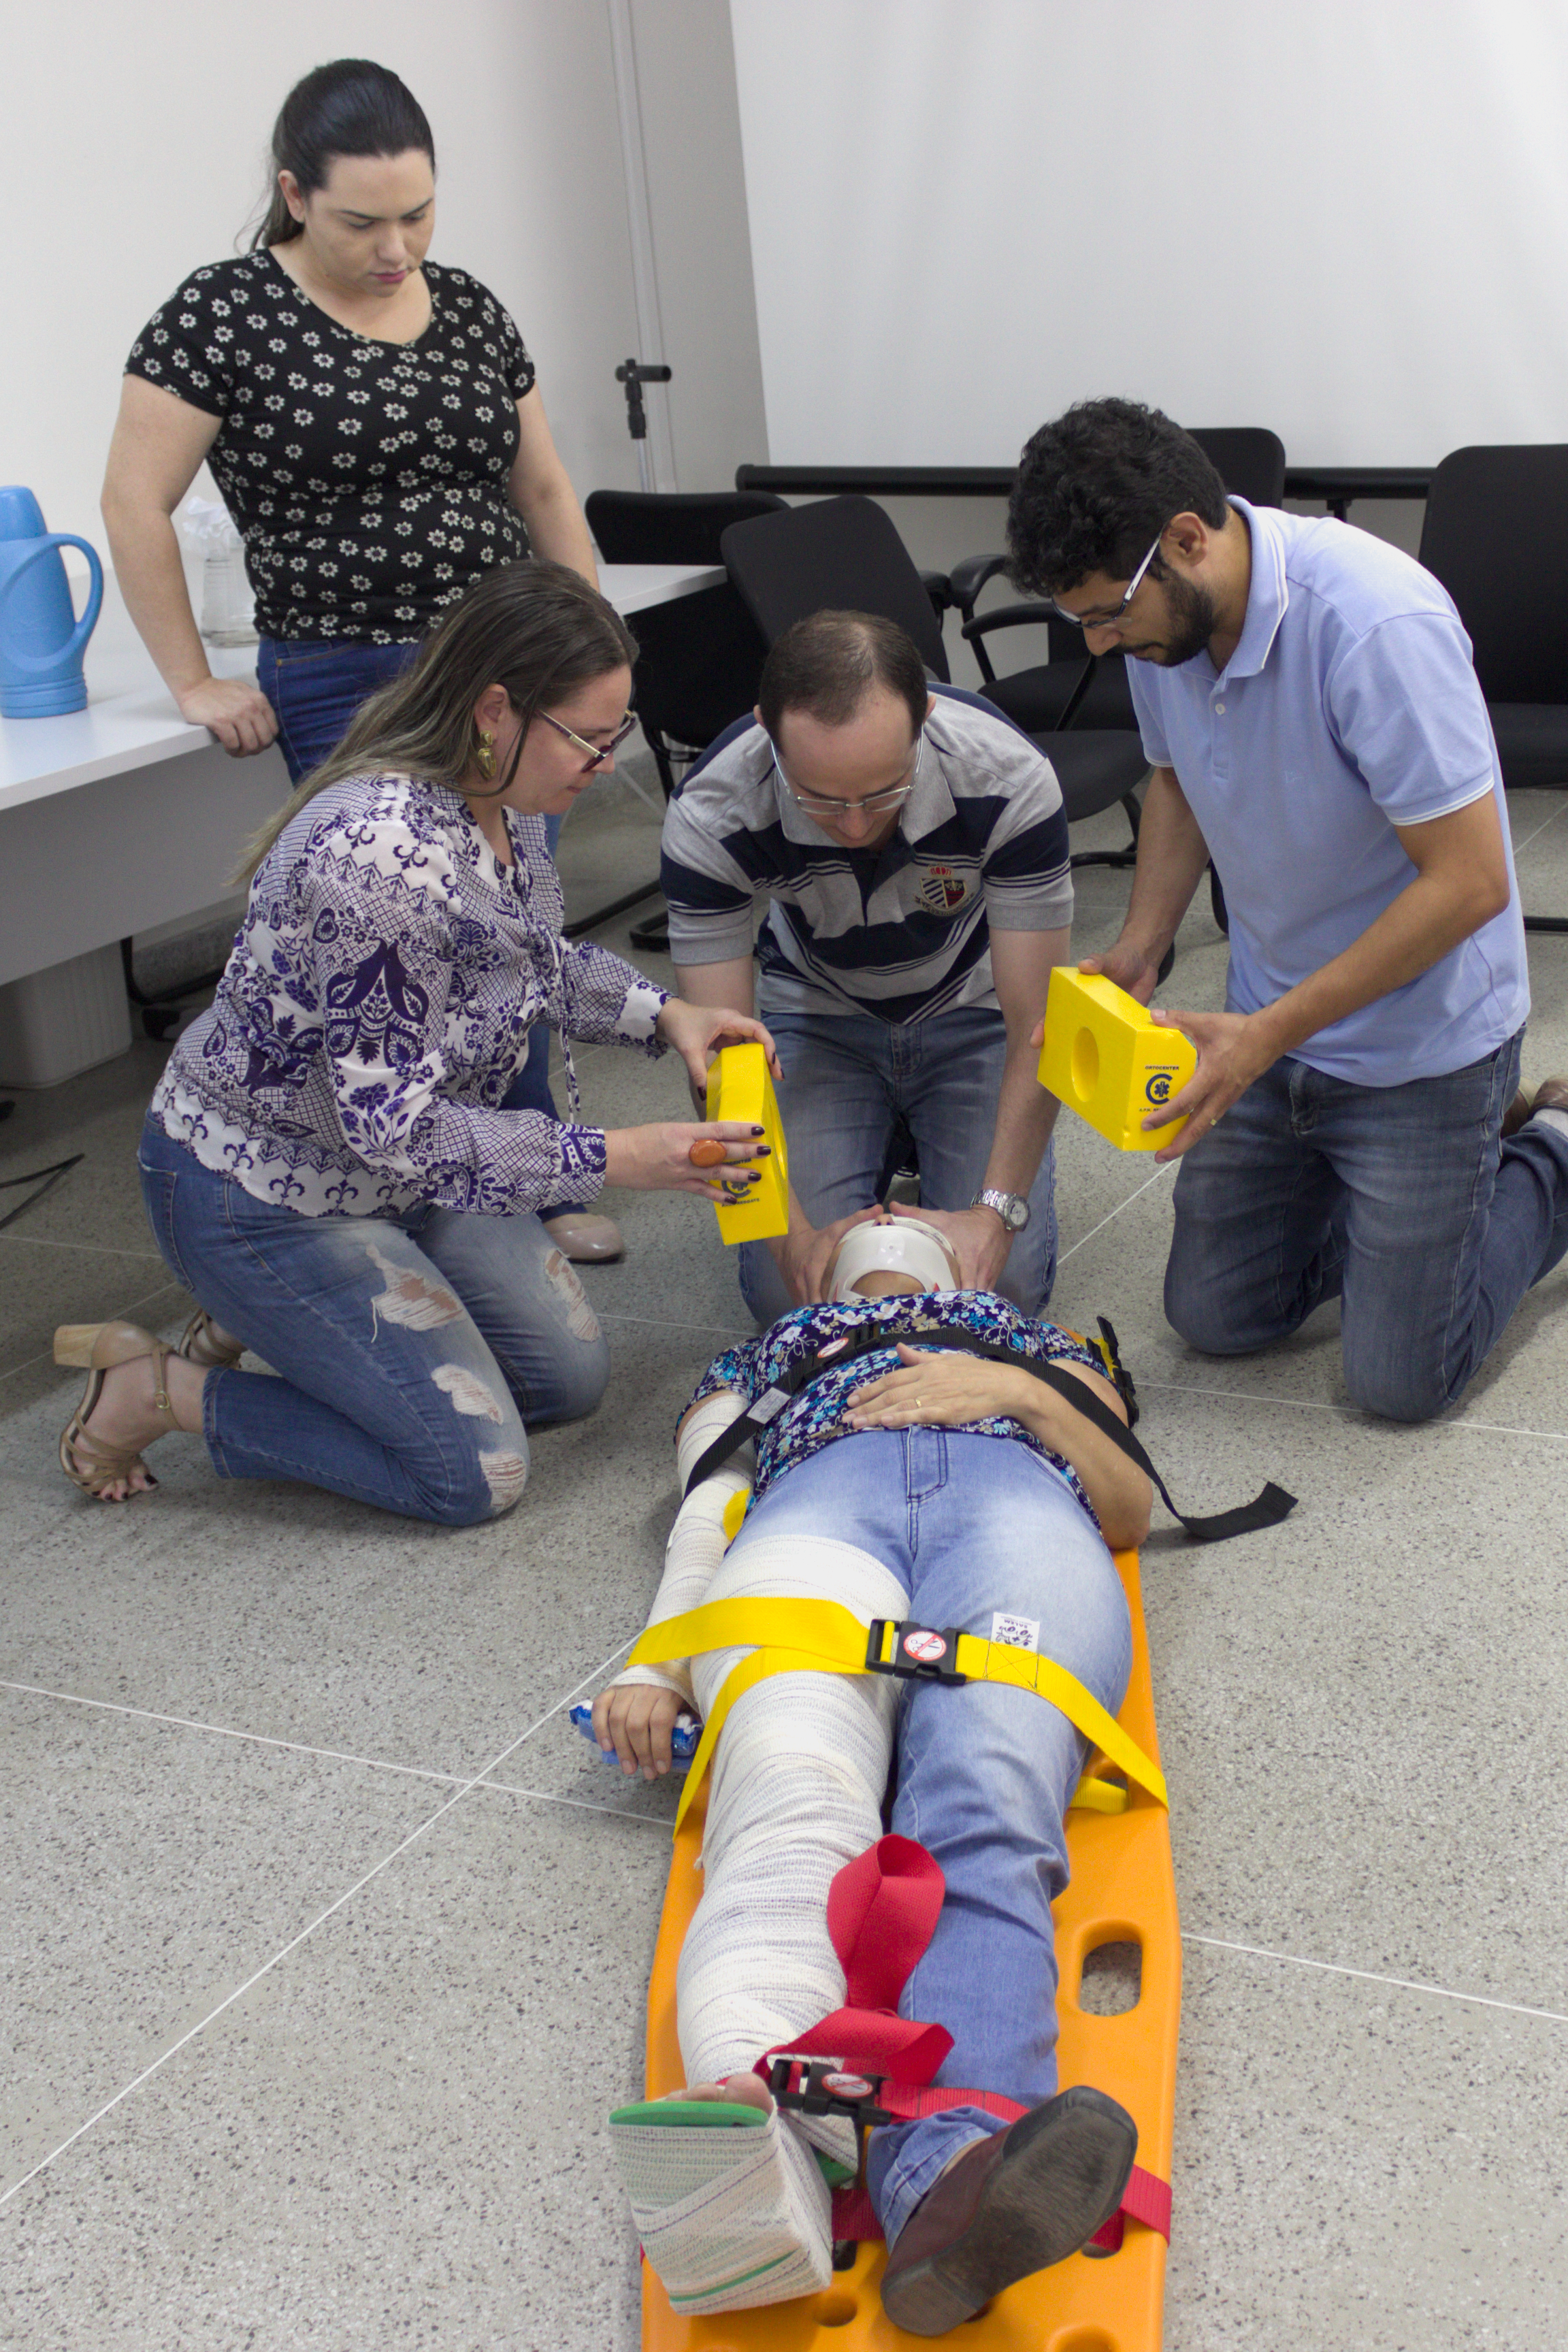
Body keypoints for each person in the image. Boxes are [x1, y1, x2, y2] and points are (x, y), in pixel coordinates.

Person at [52, 564, 779, 1522]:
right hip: (269, 1192)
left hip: (410, 1174)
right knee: (475, 1475)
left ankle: (269, 1317)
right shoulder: (378, 865)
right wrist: (617, 1157)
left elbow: (531, 960)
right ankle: (159, 1390)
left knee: (563, 1382)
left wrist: (665, 1015)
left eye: (617, 735)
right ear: (494, 710)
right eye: (589, 739)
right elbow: (394, 1130)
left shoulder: (503, 794)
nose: (607, 764)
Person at [591, 1213, 1149, 2332]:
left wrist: (1020, 1390)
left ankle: (945, 2177)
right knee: (790, 1785)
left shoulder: (1034, 1342)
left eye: (914, 1213)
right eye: (864, 1216)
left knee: (987, 1791)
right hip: (820, 1508)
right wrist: (658, 1656)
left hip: (1015, 1503)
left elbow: (1126, 1508)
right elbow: (706, 1515)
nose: (889, 1219)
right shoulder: (768, 1355)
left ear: (968, 1257)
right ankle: (762, 2135)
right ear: (814, 1267)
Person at [103, 56, 617, 1260]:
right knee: (395, 931)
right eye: (361, 223)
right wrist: (193, 679)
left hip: (505, 663)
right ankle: (411, 1174)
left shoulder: (470, 308)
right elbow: (134, 500)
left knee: (512, 917)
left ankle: (534, 1174)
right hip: (345, 670)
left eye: (418, 215)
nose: (397, 249)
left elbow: (543, 488)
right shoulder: (223, 313)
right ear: (293, 194)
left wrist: (593, 649)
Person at [1006, 398, 1568, 1424]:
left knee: (1401, 1384)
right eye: (1080, 618)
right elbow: (1175, 782)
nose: (1097, 642)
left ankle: (1551, 1149)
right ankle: (1413, 1211)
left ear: (1187, 539)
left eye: (1106, 613)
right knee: (1216, 1315)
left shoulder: (1375, 624)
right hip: (1269, 1025)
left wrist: (1263, 1037)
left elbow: (1471, 883)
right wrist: (1142, 946)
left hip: (1421, 1044)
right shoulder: (1163, 636)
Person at [660, 610, 1074, 1326]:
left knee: (1000, 1291)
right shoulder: (711, 809)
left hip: (973, 1009)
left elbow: (1038, 1024)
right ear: (765, 731)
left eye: (884, 790)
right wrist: (790, 1238)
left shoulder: (1008, 776)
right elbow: (722, 1055)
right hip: (814, 1017)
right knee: (789, 1296)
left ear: (926, 720)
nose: (855, 826)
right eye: (819, 797)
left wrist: (995, 1211)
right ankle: (886, 1133)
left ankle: (917, 1134)